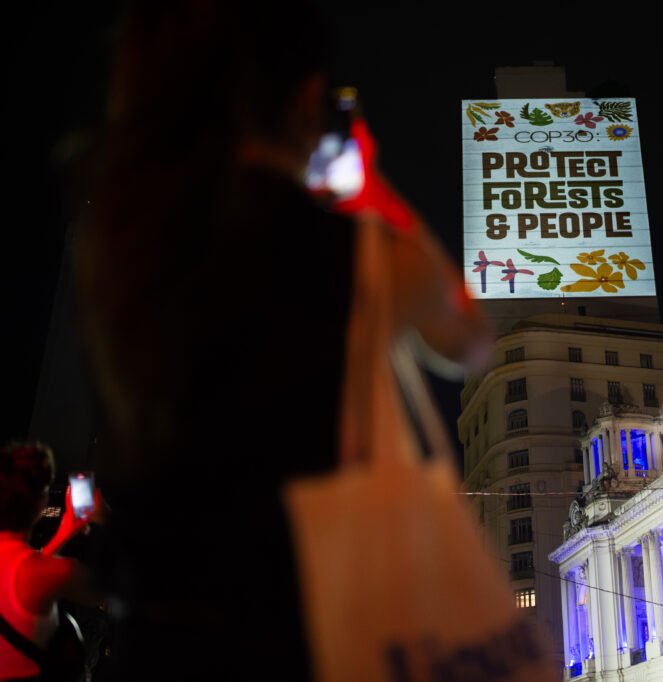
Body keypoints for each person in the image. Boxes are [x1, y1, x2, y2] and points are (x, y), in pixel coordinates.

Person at [76, 2, 488, 680]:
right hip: (299, 632)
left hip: (153, 639)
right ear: (305, 103)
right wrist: (371, 186)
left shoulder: (120, 242)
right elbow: (470, 341)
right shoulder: (352, 252)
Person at [0, 442, 103, 680]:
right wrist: (105, 519)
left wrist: (64, 532)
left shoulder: (29, 569)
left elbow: (21, 579)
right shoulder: (54, 572)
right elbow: (112, 590)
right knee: (95, 621)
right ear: (40, 505)